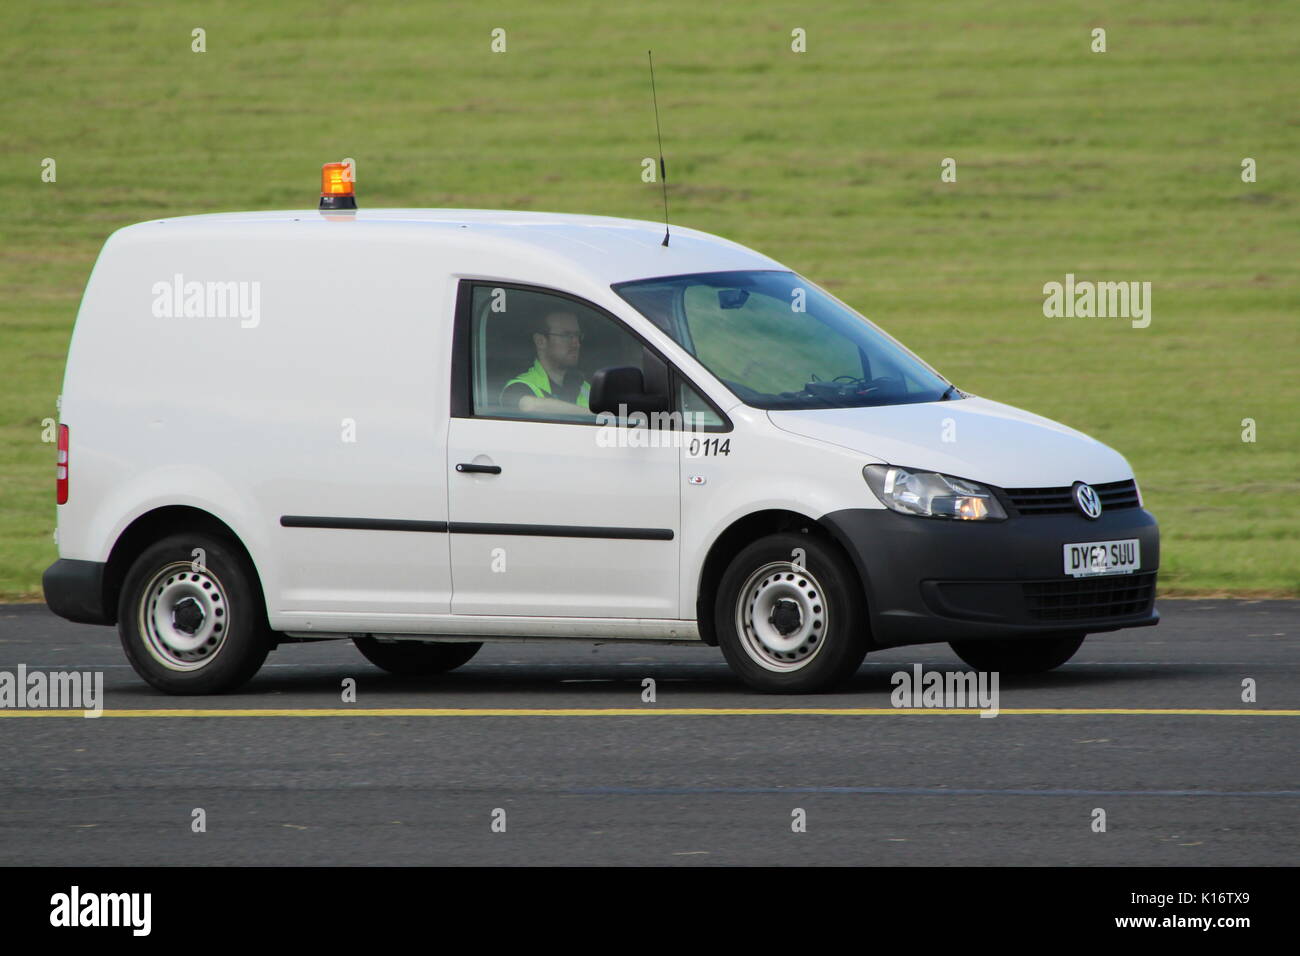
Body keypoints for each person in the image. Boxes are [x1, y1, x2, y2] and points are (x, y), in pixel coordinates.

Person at [501, 310, 593, 417]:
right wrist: (594, 416)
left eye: (577, 335)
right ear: (540, 341)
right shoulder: (519, 386)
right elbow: (529, 405)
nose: (576, 343)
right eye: (566, 335)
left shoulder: (585, 387)